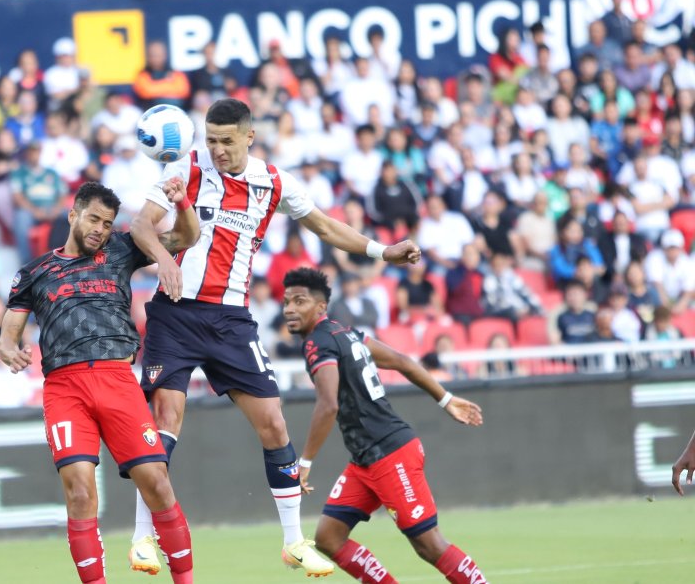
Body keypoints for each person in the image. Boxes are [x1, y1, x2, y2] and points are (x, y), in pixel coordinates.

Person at [129, 98, 421, 576]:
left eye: (227, 141)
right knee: (166, 419)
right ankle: (143, 537)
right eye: (212, 140)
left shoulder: (274, 182)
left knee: (275, 425)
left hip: (231, 320)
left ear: (249, 137)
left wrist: (382, 250)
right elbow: (142, 225)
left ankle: (292, 541)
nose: (217, 150)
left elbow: (324, 226)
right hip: (175, 314)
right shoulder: (186, 165)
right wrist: (162, 258)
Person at [0, 181, 198, 583]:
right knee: (79, 492)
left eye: (107, 223)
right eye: (93, 219)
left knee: (157, 484)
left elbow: (187, 236)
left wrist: (183, 202)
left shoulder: (122, 250)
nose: (100, 229)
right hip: (64, 388)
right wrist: (8, 349)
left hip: (117, 378)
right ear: (73, 215)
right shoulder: (34, 273)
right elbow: (8, 332)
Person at [282, 267, 487, 584]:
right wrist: (445, 400)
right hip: (366, 459)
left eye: (299, 301)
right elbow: (402, 361)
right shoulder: (346, 333)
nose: (290, 309)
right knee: (328, 537)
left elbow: (328, 404)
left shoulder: (318, 344)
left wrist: (304, 462)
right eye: (286, 302)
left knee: (429, 545)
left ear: (321, 306)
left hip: (391, 455)